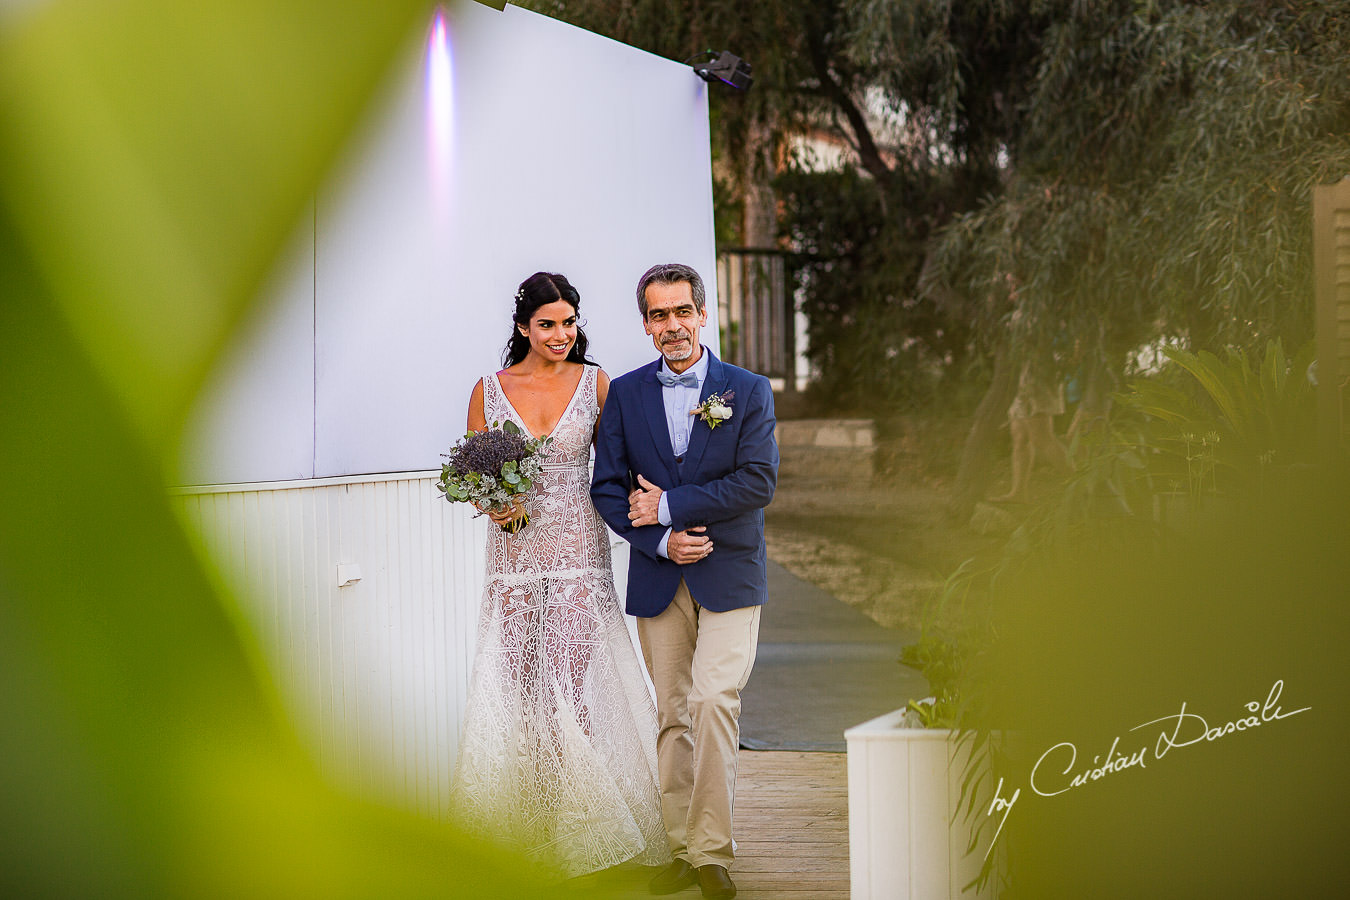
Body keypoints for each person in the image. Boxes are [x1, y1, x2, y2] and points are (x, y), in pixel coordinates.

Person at [448, 272, 669, 879]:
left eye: (569, 323)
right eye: (548, 324)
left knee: (575, 691)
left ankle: (596, 833)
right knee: (523, 693)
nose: (561, 335)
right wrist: (494, 503)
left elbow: (619, 463)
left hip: (577, 558)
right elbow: (471, 470)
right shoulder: (489, 390)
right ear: (523, 327)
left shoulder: (594, 382)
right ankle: (532, 833)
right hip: (515, 561)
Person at [591, 263, 778, 900]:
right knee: (673, 715)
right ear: (646, 326)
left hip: (729, 576)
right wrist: (659, 538)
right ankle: (680, 848)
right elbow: (609, 490)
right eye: (658, 315)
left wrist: (671, 507)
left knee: (713, 702)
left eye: (681, 312)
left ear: (702, 314)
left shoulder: (747, 391)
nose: (672, 326)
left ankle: (712, 853)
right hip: (658, 581)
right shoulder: (625, 395)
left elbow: (758, 482)